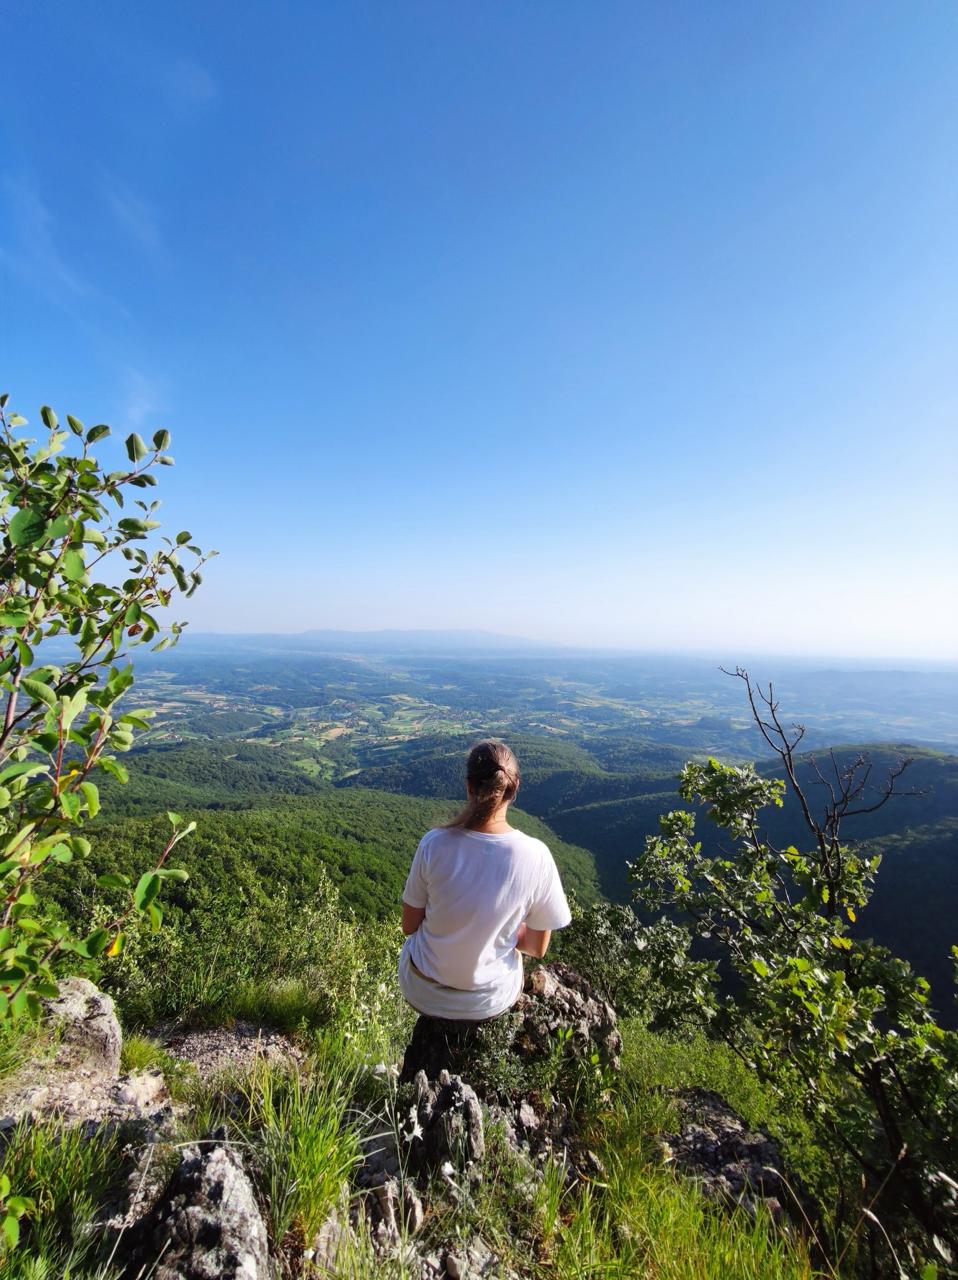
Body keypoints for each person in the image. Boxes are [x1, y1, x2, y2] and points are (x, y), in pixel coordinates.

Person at [397, 739, 572, 1022]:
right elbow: (537, 949)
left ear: (469, 786)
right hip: (488, 1001)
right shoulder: (537, 855)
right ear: (514, 790)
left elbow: (409, 926)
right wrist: (507, 927)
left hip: (422, 991)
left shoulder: (434, 843)